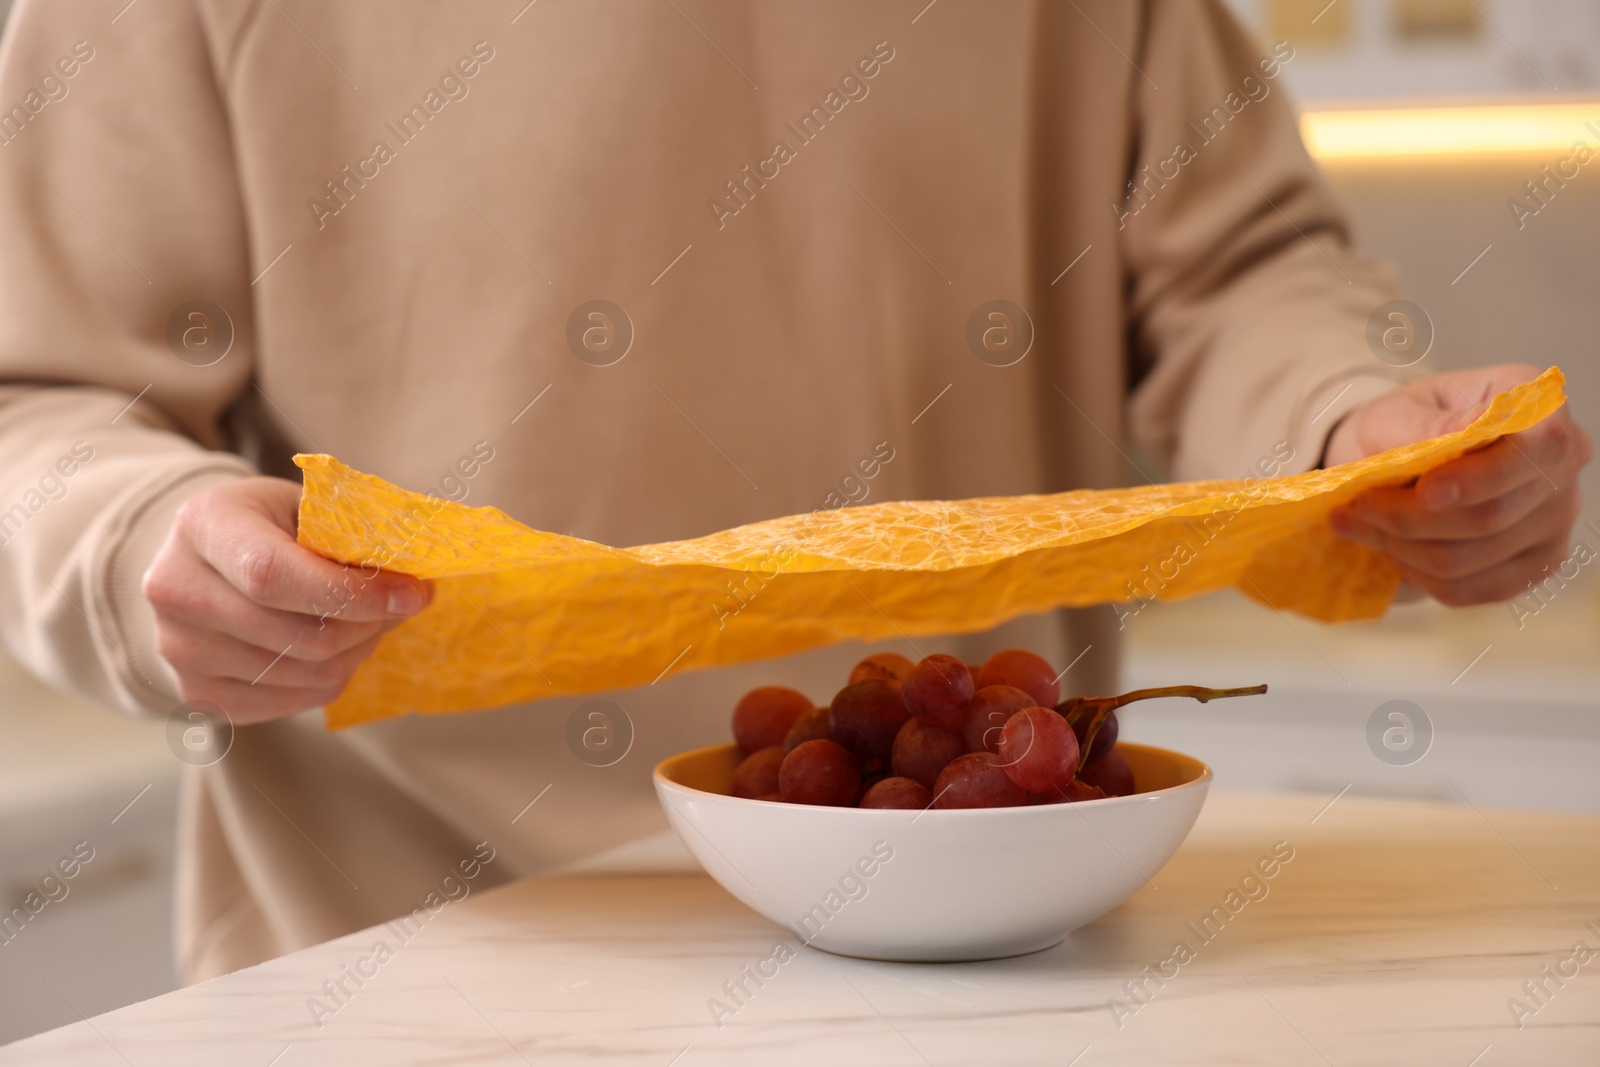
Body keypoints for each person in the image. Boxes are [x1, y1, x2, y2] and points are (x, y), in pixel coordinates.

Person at [0, 0, 1585, 981]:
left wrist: (1351, 423)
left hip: (988, 949)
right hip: (402, 962)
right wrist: (139, 539)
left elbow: (1234, 267)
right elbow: (39, 403)